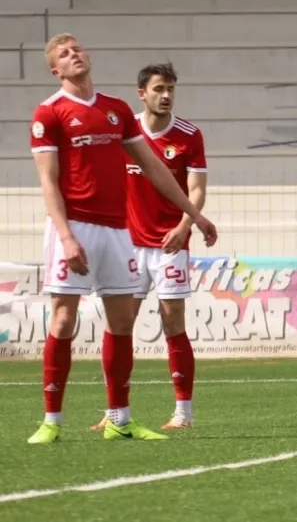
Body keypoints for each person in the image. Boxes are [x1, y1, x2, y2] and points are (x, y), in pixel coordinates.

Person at [27, 34, 217, 445]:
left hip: (118, 232)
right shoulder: (49, 112)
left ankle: (120, 419)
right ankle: (51, 421)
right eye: (64, 54)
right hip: (75, 226)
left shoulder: (115, 111)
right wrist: (66, 237)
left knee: (121, 323)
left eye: (77, 49)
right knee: (63, 320)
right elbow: (48, 180)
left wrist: (195, 215)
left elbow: (154, 167)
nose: (74, 55)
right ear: (56, 70)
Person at [89, 63, 207, 432]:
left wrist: (184, 227)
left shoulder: (189, 135)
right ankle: (114, 411)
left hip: (171, 243)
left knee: (172, 322)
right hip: (127, 245)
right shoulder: (125, 133)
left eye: (170, 88)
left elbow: (197, 190)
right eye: (158, 89)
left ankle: (183, 413)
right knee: (119, 325)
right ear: (142, 93)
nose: (166, 95)